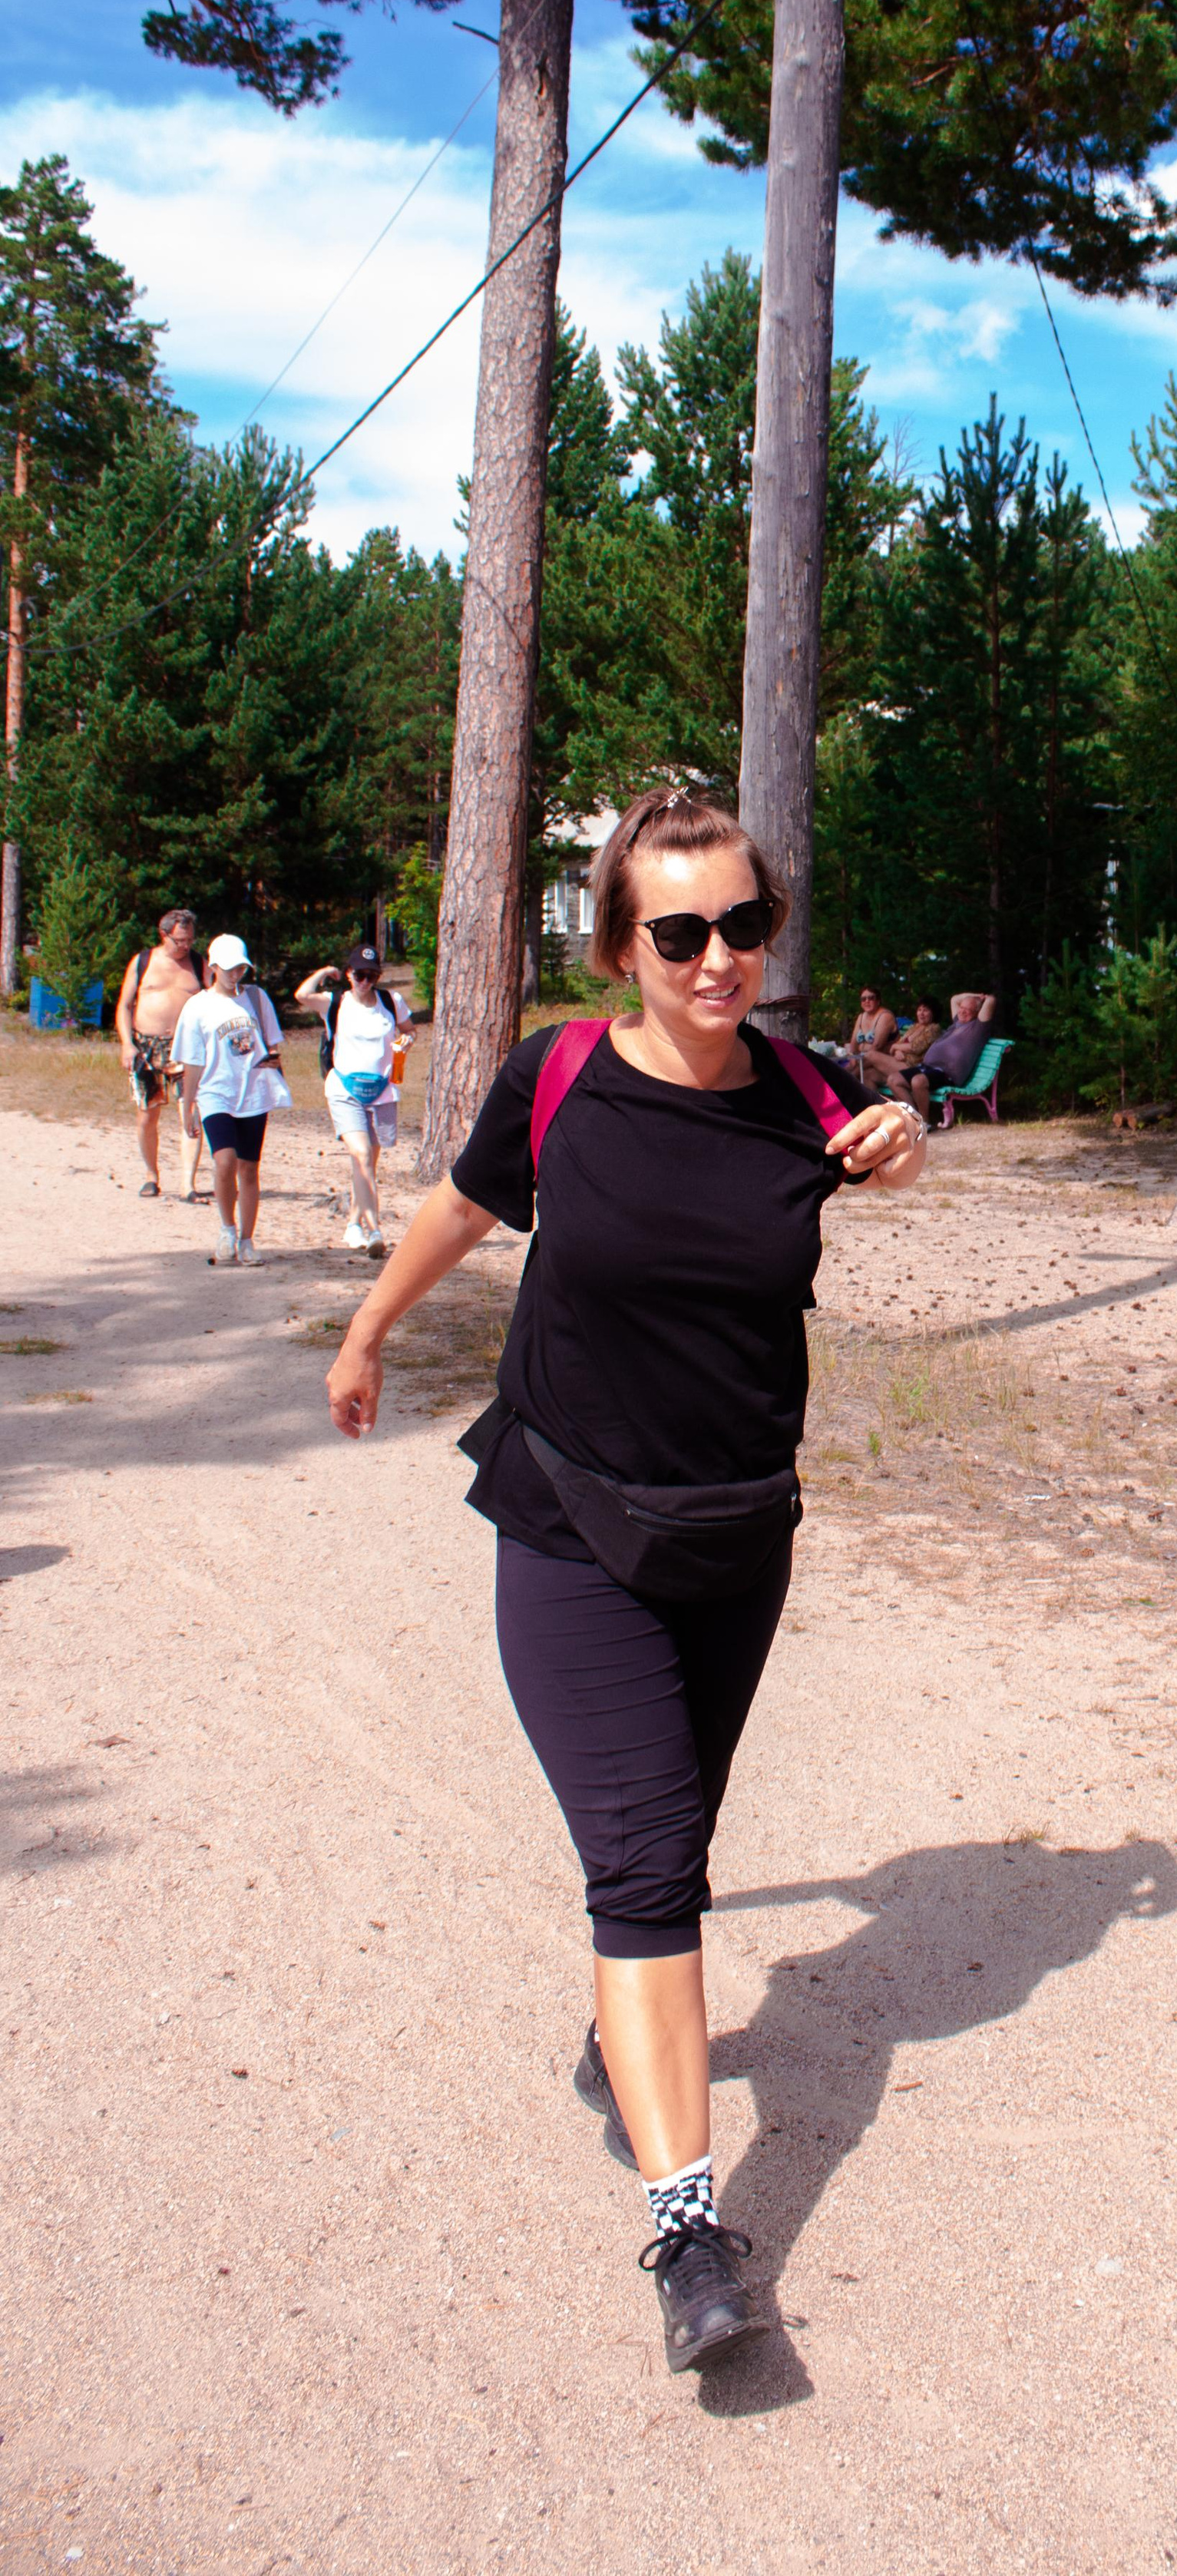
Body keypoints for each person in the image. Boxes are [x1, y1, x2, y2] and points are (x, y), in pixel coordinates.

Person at [322, 792, 925, 2373]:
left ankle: (620, 2030)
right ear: (619, 948)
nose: (717, 957)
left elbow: (881, 1153)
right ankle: (688, 2227)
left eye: (741, 926)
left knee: (678, 1833)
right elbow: (463, 1202)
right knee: (647, 1867)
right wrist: (369, 1328)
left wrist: (905, 1144)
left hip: (738, 1534)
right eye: (679, 932)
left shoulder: (807, 1090)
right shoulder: (561, 1075)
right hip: (571, 1522)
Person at [169, 934, 291, 1266]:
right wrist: (188, 1107)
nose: (235, 974)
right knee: (225, 1161)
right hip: (215, 1093)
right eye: (228, 968)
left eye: (240, 968)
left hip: (253, 1092)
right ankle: (227, 1228)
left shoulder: (256, 998)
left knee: (249, 1168)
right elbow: (192, 1062)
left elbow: (271, 1045)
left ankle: (247, 1239)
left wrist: (273, 1062)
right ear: (212, 967)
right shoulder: (198, 1006)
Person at [295, 945, 415, 1257]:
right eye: (360, 975)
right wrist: (324, 972)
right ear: (349, 974)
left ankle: (353, 1225)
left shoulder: (391, 1001)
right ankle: (375, 1231)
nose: (365, 982)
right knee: (361, 1155)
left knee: (367, 1163)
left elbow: (409, 1030)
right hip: (344, 1090)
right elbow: (302, 995)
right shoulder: (335, 1002)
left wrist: (405, 1045)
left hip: (382, 1091)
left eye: (372, 976)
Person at [114, 908, 205, 1201]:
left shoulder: (198, 963)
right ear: (164, 934)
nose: (186, 945)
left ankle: (187, 1183)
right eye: (180, 940)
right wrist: (127, 1044)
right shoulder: (143, 962)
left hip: (186, 1048)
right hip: (146, 1047)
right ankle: (151, 1176)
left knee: (191, 1112)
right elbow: (125, 1005)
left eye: (190, 939)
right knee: (147, 1115)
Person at [916, 990, 997, 1107]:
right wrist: (974, 996)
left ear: (977, 1012)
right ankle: (909, 1116)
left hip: (947, 1074)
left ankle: (922, 1121)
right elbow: (954, 999)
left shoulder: (978, 1028)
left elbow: (991, 1000)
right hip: (928, 1068)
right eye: (962, 1007)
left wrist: (981, 998)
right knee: (895, 1080)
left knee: (917, 1081)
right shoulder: (957, 1022)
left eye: (968, 1010)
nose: (962, 1011)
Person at [858, 996, 940, 1104]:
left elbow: (915, 1047)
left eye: (925, 1010)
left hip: (913, 1067)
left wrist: (895, 1048)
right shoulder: (914, 1027)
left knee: (870, 1055)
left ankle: (847, 1075)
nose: (921, 1013)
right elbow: (898, 1044)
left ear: (933, 1013)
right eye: (919, 1010)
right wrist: (897, 1051)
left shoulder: (934, 1029)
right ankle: (879, 1107)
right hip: (898, 1063)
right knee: (867, 1075)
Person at [845, 984, 897, 1088]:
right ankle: (869, 1103)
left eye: (871, 998)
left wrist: (861, 1049)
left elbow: (877, 1047)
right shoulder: (861, 1017)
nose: (867, 1001)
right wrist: (854, 1057)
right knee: (850, 1070)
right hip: (867, 1064)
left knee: (851, 1075)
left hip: (886, 1063)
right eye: (863, 999)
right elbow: (853, 1046)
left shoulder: (885, 1016)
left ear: (878, 1001)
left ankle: (846, 1082)